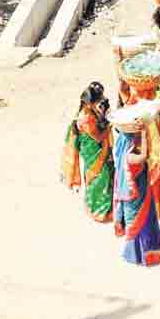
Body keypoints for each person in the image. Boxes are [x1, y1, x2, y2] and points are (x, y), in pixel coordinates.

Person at [61, 85, 114, 222]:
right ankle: (98, 209)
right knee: (100, 176)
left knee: (104, 175)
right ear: (89, 103)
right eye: (98, 99)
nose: (101, 100)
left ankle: (104, 205)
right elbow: (99, 137)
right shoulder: (85, 118)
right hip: (93, 151)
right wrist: (110, 125)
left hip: (96, 148)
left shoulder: (90, 112)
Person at [113, 127, 160, 266]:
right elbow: (143, 157)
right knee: (140, 224)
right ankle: (140, 255)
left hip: (139, 193)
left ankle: (144, 253)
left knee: (141, 223)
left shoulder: (124, 149)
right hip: (136, 199)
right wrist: (145, 134)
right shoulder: (130, 155)